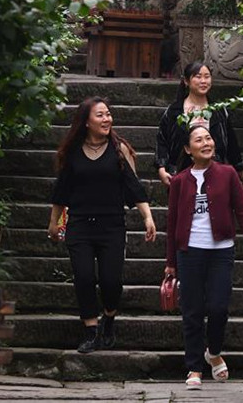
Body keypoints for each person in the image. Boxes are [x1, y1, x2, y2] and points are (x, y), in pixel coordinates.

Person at [165, 123, 243, 388]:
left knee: (218, 307)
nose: (206, 143)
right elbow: (172, 223)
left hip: (221, 251)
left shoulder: (228, 174)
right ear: (188, 149)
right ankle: (194, 368)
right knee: (192, 311)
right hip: (189, 252)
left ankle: (213, 352)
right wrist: (170, 263)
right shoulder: (179, 181)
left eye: (209, 138)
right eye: (199, 140)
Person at [47, 97, 156, 353]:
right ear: (86, 121)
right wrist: (53, 223)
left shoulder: (119, 149)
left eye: (108, 114)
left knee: (111, 281)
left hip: (112, 226)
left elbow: (133, 185)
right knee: (84, 277)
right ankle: (90, 330)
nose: (107, 119)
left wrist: (148, 217)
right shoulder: (72, 152)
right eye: (100, 115)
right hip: (80, 225)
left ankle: (109, 317)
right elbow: (61, 190)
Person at [155, 61, 243, 197]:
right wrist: (161, 168)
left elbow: (232, 144)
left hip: (215, 173)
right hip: (182, 172)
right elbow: (162, 140)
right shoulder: (174, 111)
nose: (203, 81)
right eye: (198, 76)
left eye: (207, 76)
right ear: (186, 81)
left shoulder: (218, 111)